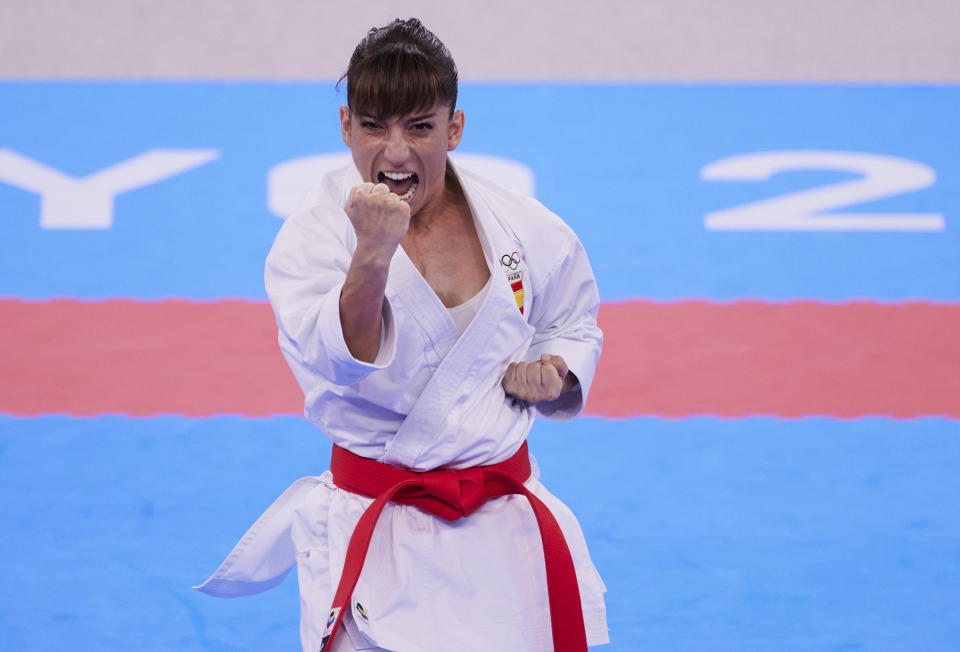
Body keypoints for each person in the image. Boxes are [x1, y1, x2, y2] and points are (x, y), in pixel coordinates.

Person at [196, 18, 608, 652]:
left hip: (503, 533)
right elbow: (339, 361)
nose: (394, 152)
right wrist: (372, 253)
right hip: (378, 528)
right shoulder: (313, 238)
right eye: (373, 126)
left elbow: (573, 318)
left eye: (418, 126)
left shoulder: (524, 224)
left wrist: (555, 371)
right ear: (345, 127)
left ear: (455, 128)